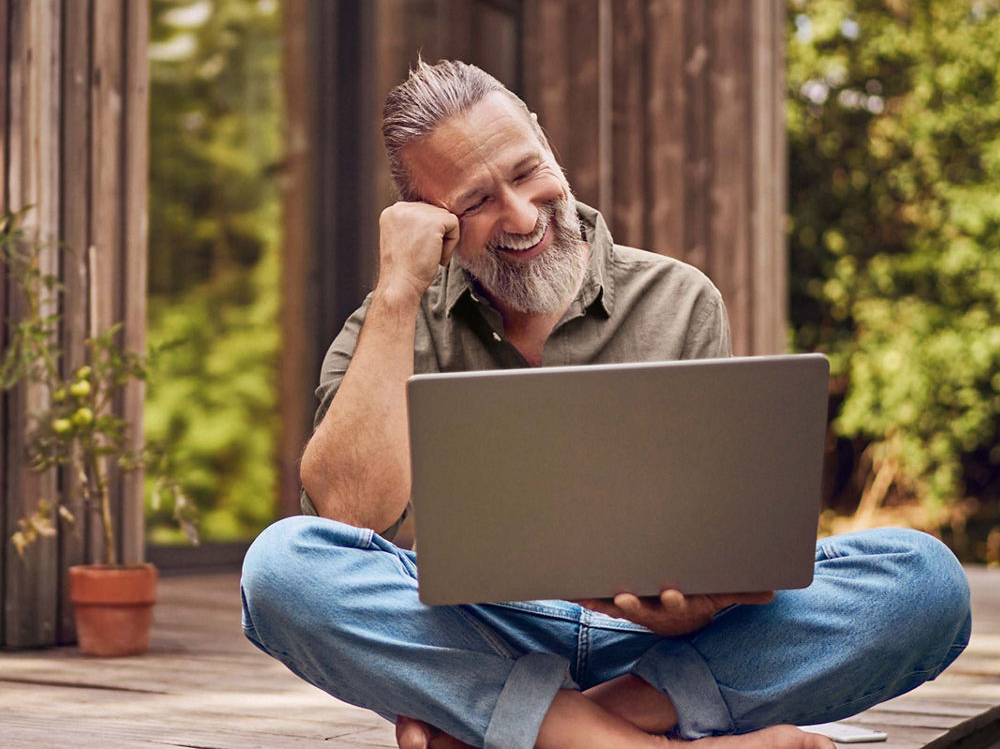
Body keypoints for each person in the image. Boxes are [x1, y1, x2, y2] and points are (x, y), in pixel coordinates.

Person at [241, 59, 971, 749]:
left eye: (528, 172)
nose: (523, 215)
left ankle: (547, 728)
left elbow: (715, 534)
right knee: (281, 569)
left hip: (653, 650)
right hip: (473, 634)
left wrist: (701, 606)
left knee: (923, 584)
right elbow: (344, 520)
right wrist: (398, 290)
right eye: (477, 201)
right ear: (428, 218)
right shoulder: (389, 325)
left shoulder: (680, 298)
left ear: (544, 138)